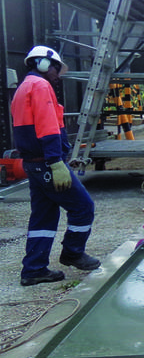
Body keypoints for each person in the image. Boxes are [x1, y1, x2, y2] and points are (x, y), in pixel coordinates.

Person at [11, 46, 100, 286]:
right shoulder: (40, 86)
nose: (58, 75)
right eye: (57, 68)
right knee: (83, 207)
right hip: (46, 163)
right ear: (43, 64)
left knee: (43, 217)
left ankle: (34, 269)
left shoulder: (23, 87)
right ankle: (72, 253)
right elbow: (47, 124)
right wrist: (55, 161)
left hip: (33, 163)